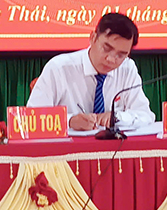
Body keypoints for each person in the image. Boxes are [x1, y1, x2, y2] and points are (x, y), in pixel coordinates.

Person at [27, 12, 155, 131]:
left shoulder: (127, 69)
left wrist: (117, 118)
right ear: (93, 38)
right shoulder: (59, 68)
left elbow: (145, 115)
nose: (111, 59)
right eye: (106, 48)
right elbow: (32, 118)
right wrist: (69, 121)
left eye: (121, 55)